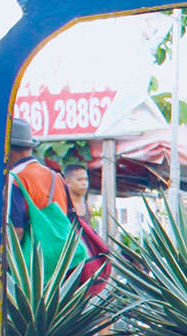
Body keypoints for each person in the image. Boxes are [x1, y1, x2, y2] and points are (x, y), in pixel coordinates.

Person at [6, 117, 85, 271]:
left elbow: (17, 230)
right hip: (62, 262)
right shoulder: (56, 176)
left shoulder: (15, 178)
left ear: (7, 147)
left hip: (33, 266)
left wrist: (7, 268)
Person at [60, 164, 111, 293]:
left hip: (88, 259)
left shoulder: (86, 205)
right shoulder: (63, 205)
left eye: (85, 179)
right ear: (68, 182)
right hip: (71, 259)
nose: (84, 184)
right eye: (79, 180)